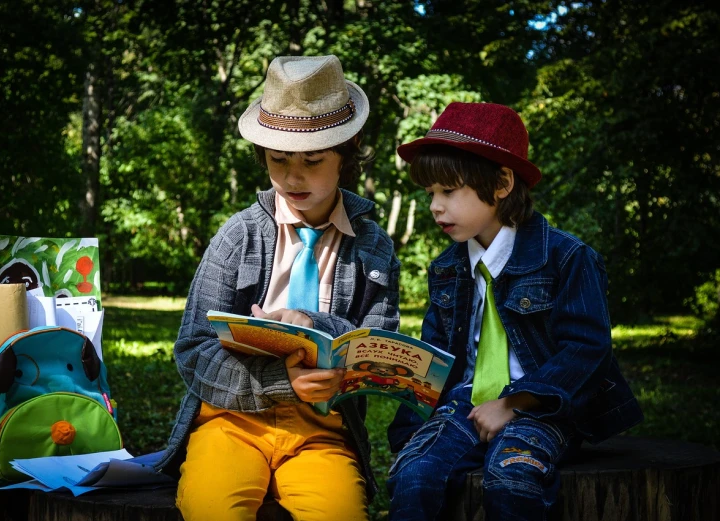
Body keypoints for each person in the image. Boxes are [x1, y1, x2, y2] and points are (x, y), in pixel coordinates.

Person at [156, 55, 400, 521]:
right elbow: (192, 348)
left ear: (346, 154)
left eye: (312, 161)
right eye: (278, 160)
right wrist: (279, 383)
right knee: (212, 509)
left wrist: (315, 325)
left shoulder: (373, 246)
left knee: (340, 514)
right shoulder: (238, 235)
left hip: (323, 431)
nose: (292, 177)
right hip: (230, 422)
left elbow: (380, 345)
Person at [386, 102, 643, 521]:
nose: (435, 206)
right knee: (416, 476)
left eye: (448, 191)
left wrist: (514, 403)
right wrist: (408, 424)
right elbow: (435, 357)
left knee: (513, 480)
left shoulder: (566, 257)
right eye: (430, 192)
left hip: (541, 407)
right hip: (464, 405)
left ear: (502, 182)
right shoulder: (447, 268)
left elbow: (586, 350)